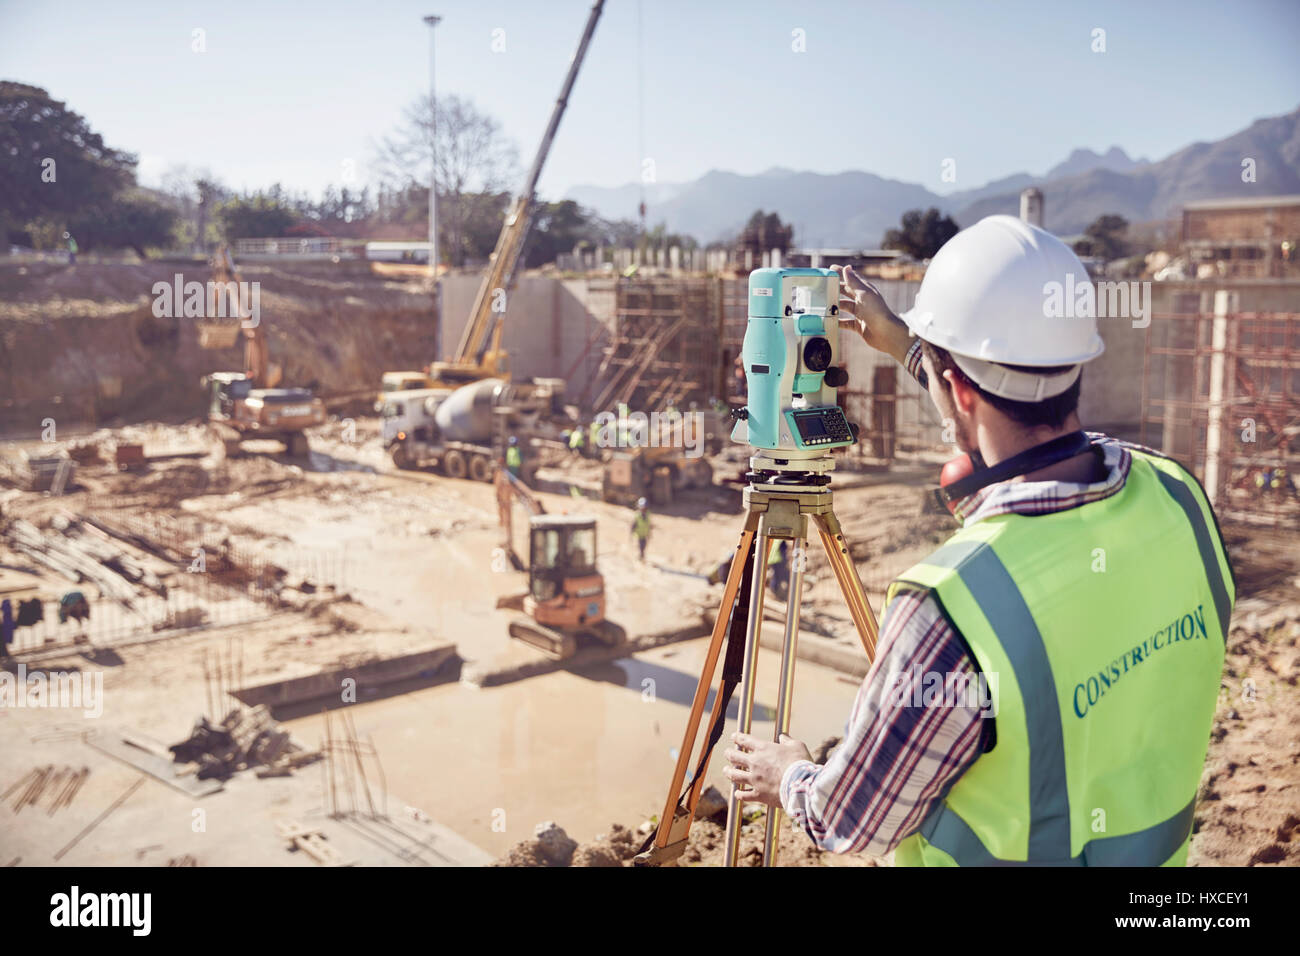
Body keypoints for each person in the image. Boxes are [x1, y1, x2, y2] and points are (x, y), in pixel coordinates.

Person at [723, 216, 1233, 866]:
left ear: (957, 388)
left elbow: (850, 820)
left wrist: (787, 774)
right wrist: (921, 352)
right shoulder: (1179, 498)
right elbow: (1024, 416)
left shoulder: (955, 607)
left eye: (942, 375)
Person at [631, 497, 651, 562]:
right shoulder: (637, 515)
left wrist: (650, 533)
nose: (643, 509)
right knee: (641, 546)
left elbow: (649, 524)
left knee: (644, 545)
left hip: (645, 533)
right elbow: (633, 524)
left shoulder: (648, 514)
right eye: (642, 507)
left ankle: (642, 555)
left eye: (644, 507)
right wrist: (632, 531)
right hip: (639, 534)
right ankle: (641, 556)